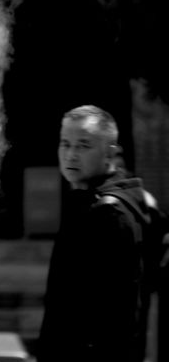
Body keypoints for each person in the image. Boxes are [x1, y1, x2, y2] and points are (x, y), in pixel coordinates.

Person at [38, 104, 155, 362]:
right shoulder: (85, 200)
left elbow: (117, 316)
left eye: (83, 145)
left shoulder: (110, 214)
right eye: (65, 144)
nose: (70, 155)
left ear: (109, 153)